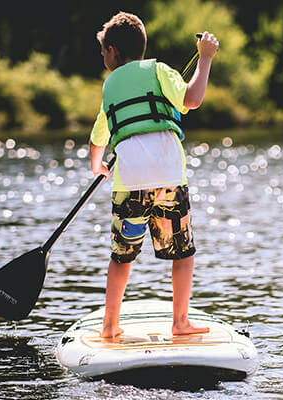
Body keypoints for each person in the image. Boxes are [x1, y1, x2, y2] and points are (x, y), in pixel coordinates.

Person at [88, 10, 218, 339]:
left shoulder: (109, 87)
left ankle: (109, 326)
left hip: (129, 182)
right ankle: (180, 322)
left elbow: (98, 137)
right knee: (182, 253)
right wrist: (205, 60)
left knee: (122, 257)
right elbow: (193, 98)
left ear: (113, 51)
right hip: (169, 178)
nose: (103, 56)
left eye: (103, 50)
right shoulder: (159, 70)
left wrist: (97, 166)